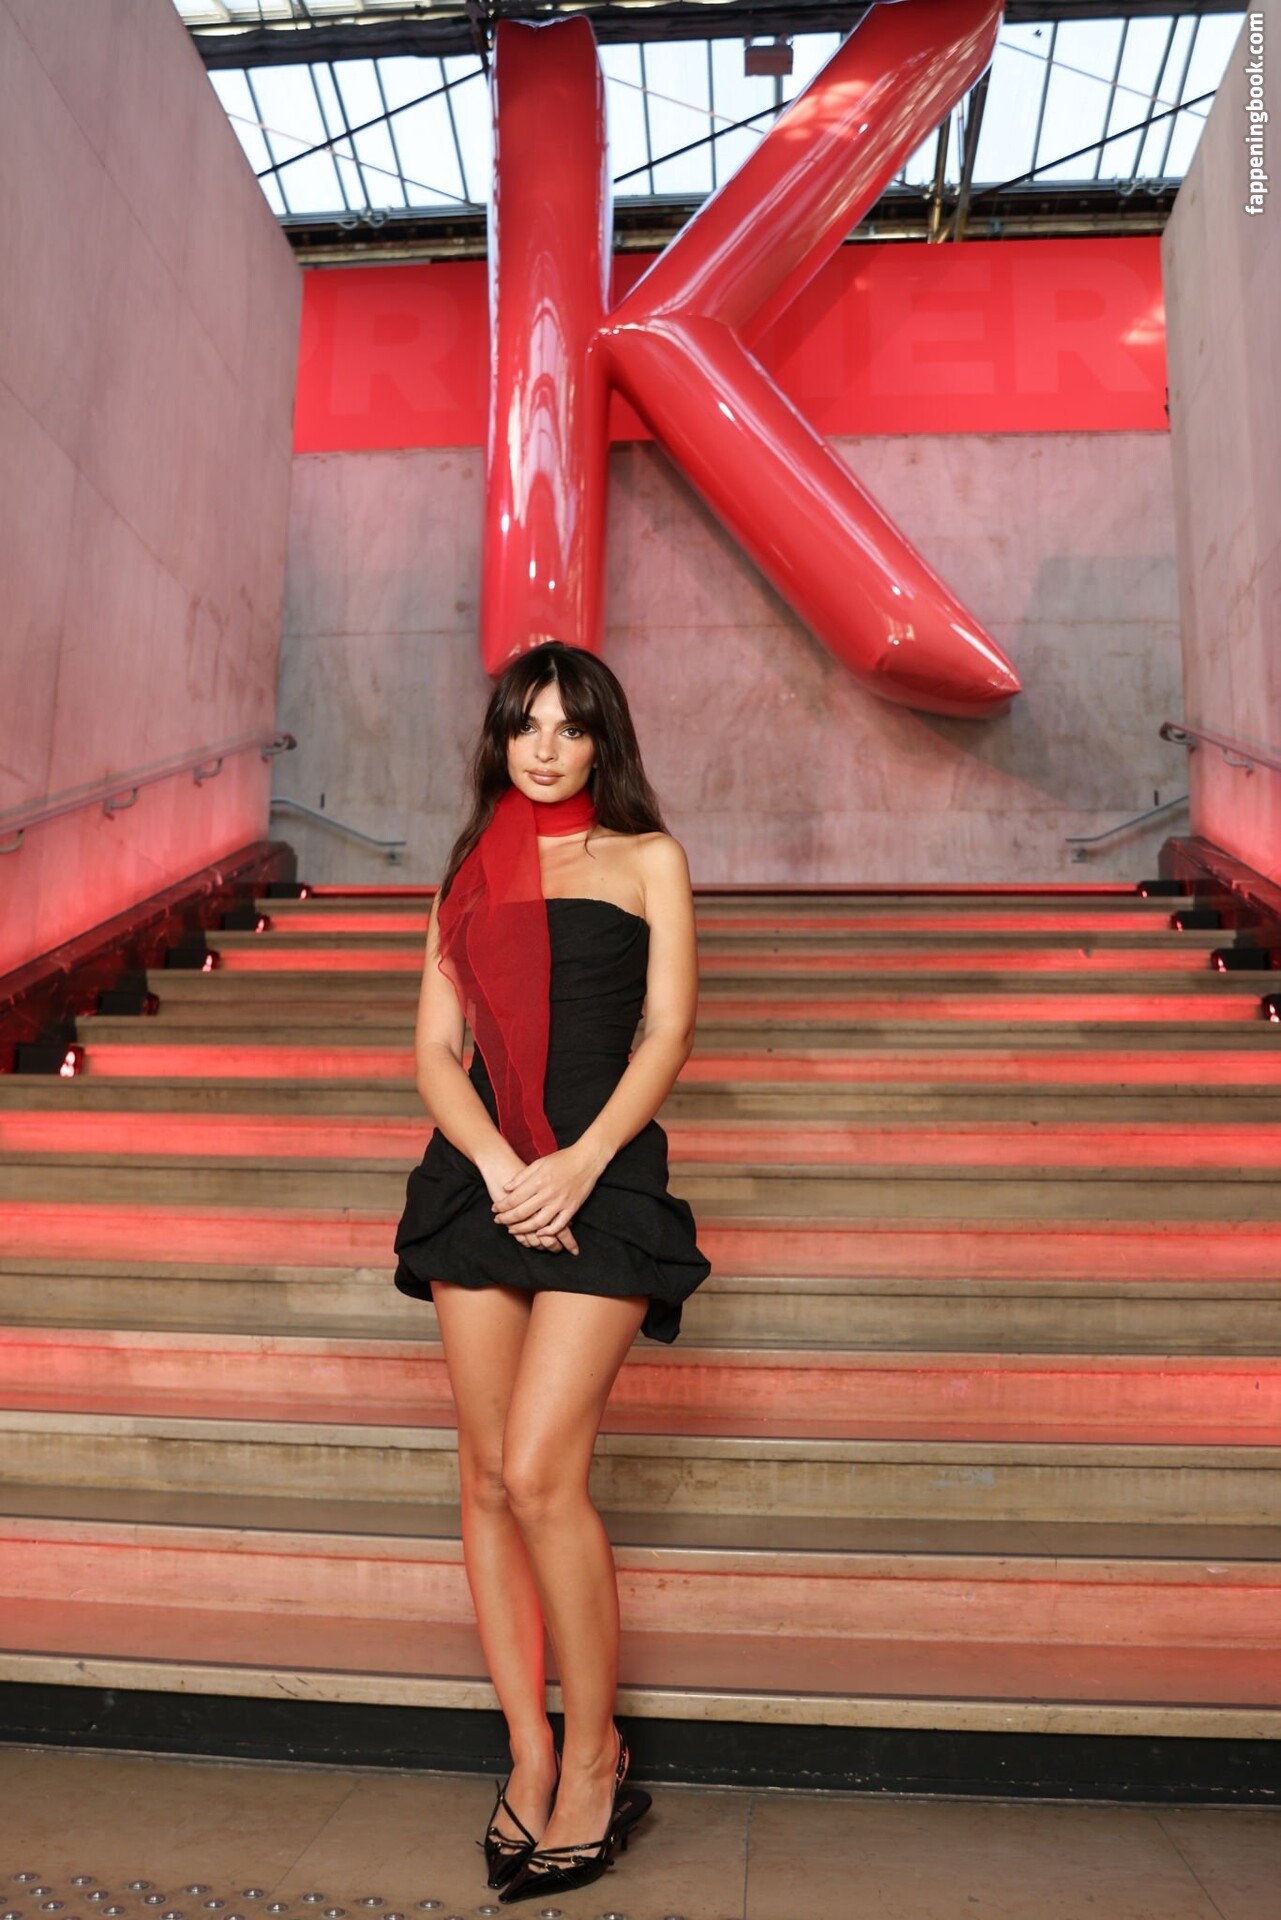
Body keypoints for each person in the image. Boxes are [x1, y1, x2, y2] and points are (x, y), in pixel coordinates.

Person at [392, 641, 711, 1904]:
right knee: (484, 1478)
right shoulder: (467, 873)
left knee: (538, 1473)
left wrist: (575, 1165)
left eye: (570, 728)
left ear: (600, 742)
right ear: (500, 739)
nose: (545, 748)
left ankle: (595, 1758)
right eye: (525, 725)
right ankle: (529, 1752)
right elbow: (435, 1050)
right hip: (480, 1176)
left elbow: (668, 1031)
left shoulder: (648, 860)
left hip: (600, 1175)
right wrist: (496, 1162)